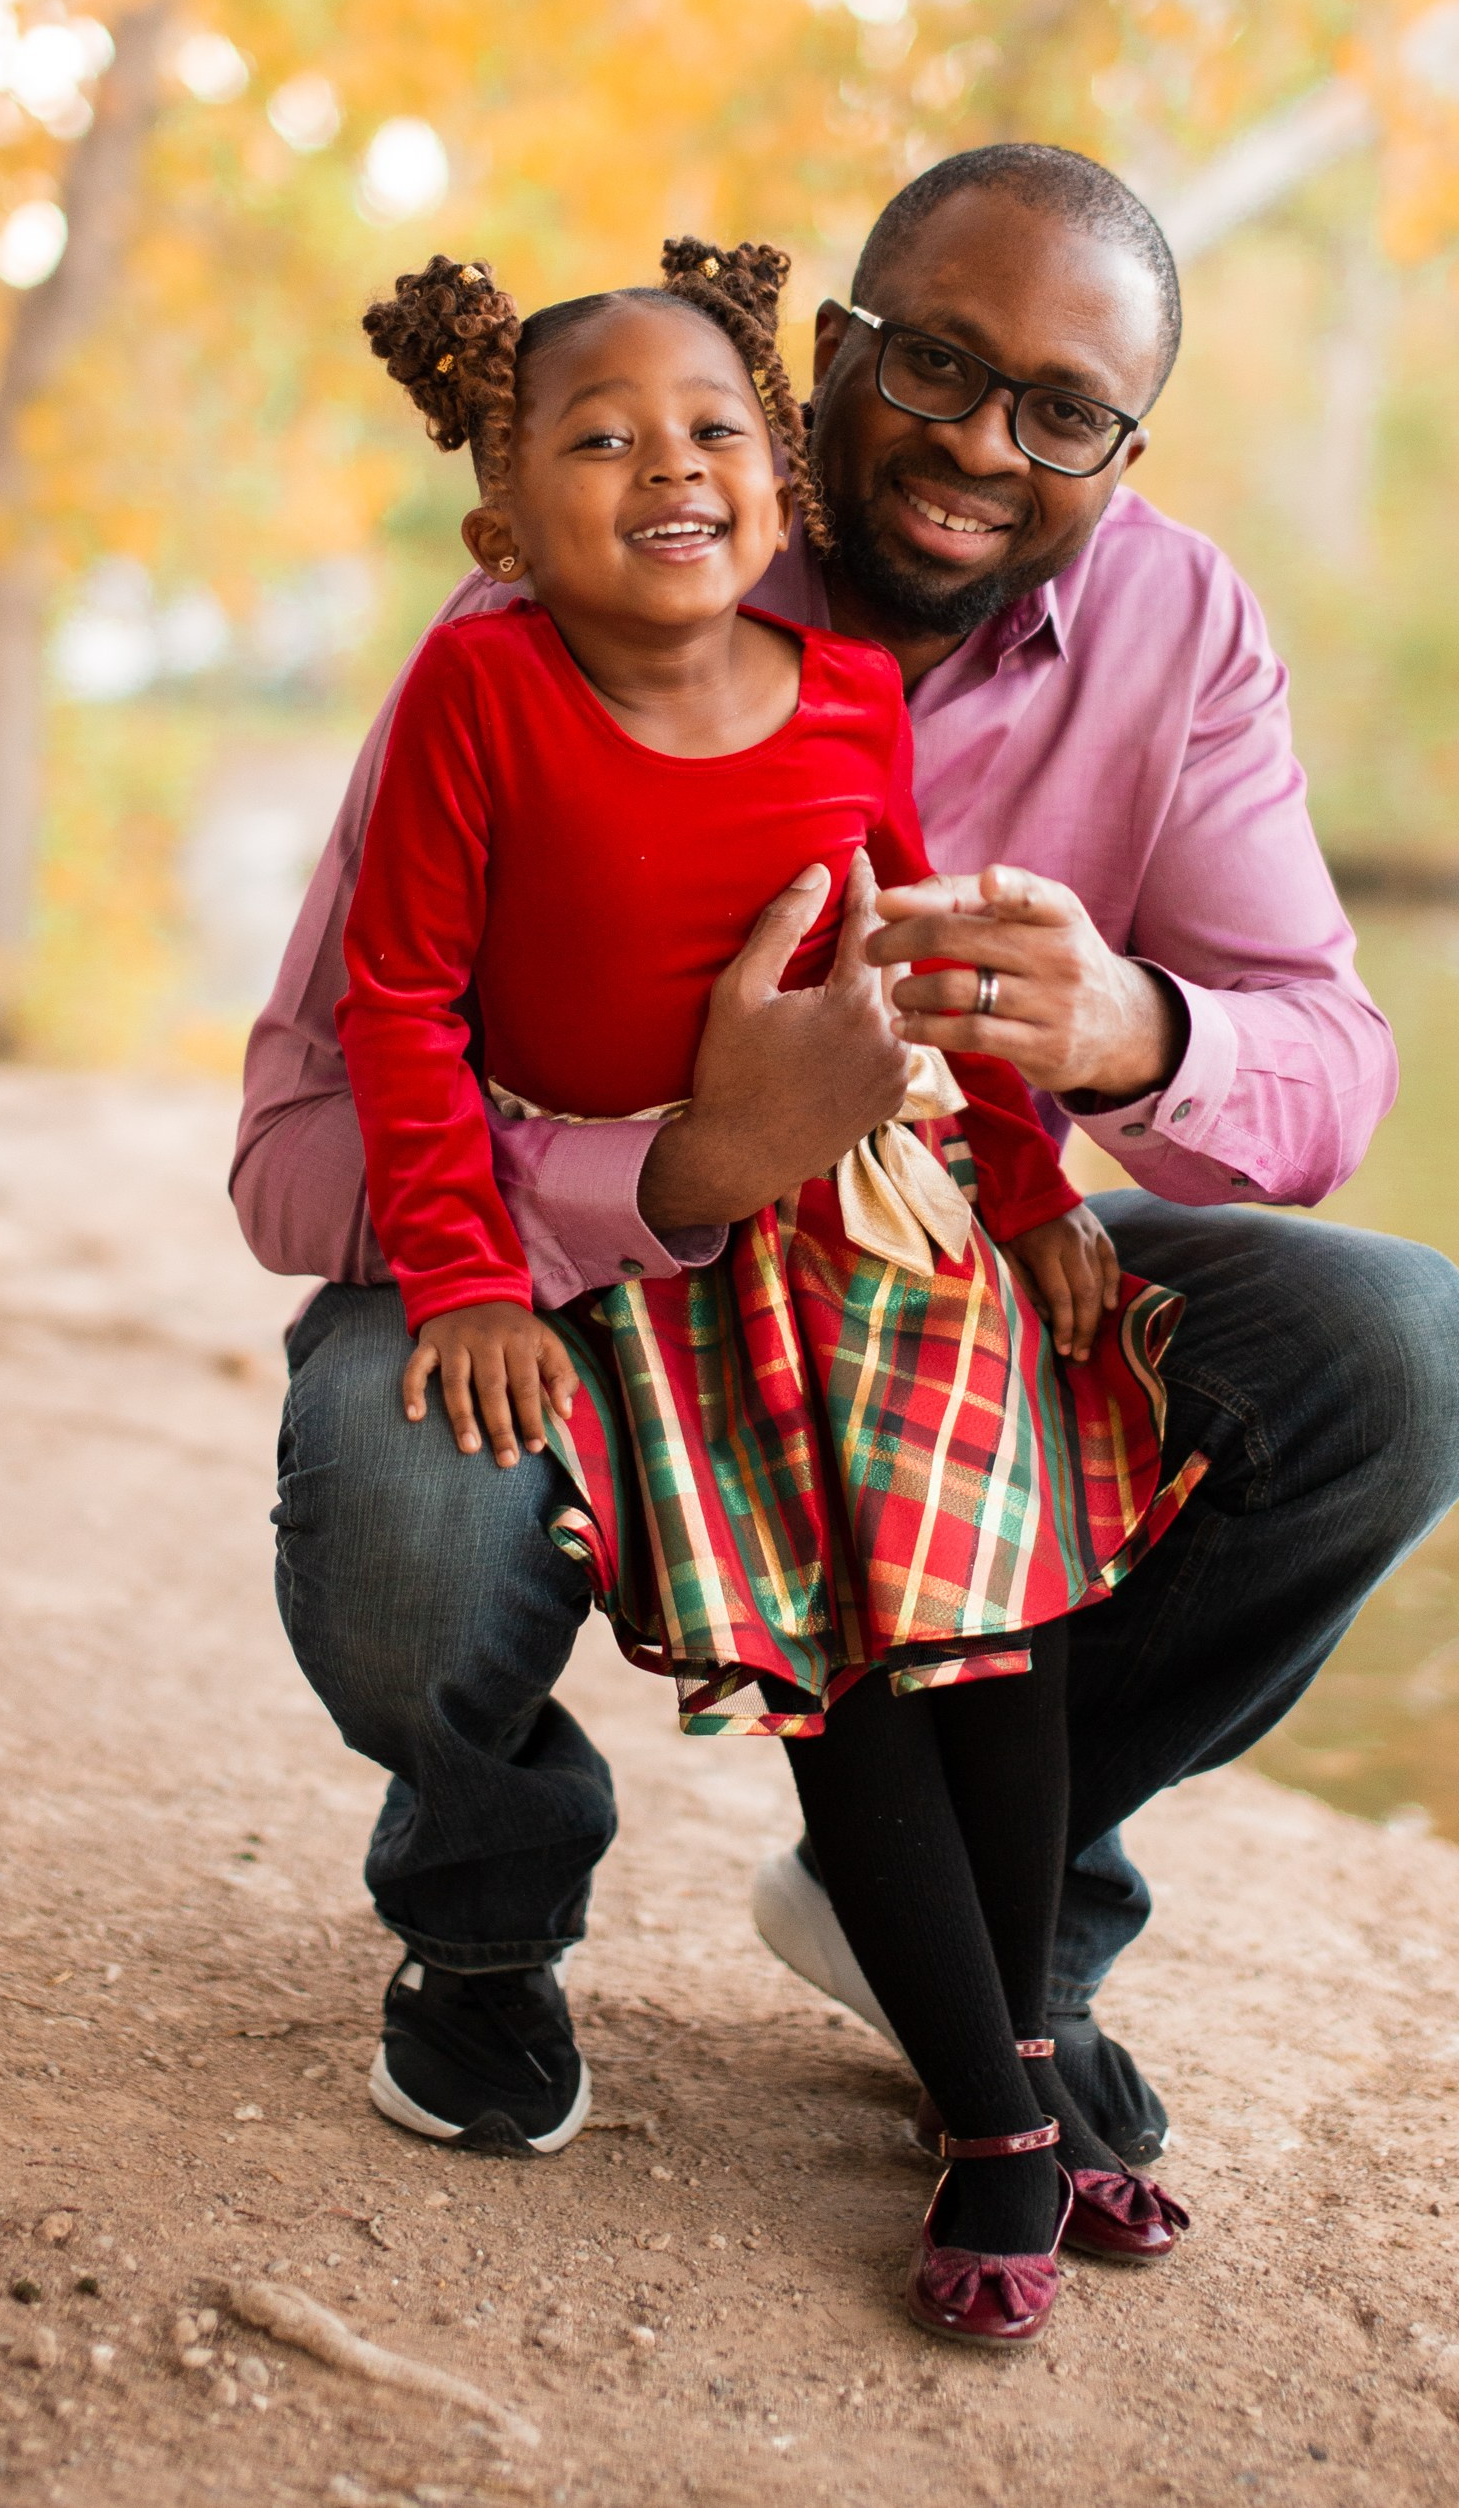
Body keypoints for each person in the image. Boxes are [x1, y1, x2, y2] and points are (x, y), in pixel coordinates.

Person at [232, 139, 1459, 2191]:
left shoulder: (1175, 623)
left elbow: (1329, 1071)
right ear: (833, 347)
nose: (985, 445)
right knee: (400, 1497)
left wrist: (1125, 1033)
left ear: (1125, 446)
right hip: (578, 1285)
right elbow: (297, 1149)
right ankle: (483, 1914)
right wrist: (678, 1170)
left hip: (922, 1272)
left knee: (1406, 1352)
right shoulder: (555, 611)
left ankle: (989, 1918)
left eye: (1065, 411)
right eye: (937, 364)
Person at [336, 235, 1190, 2337]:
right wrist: (467, 1279)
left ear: (777, 477)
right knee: (853, 1669)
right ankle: (997, 2130)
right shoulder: (478, 692)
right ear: (500, 518)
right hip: (681, 1266)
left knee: (1001, 1633)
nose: (668, 467)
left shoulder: (844, 695)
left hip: (897, 1226)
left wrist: (1030, 1190)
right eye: (599, 440)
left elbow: (916, 958)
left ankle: (1008, 2053)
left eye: (712, 428)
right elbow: (397, 1008)